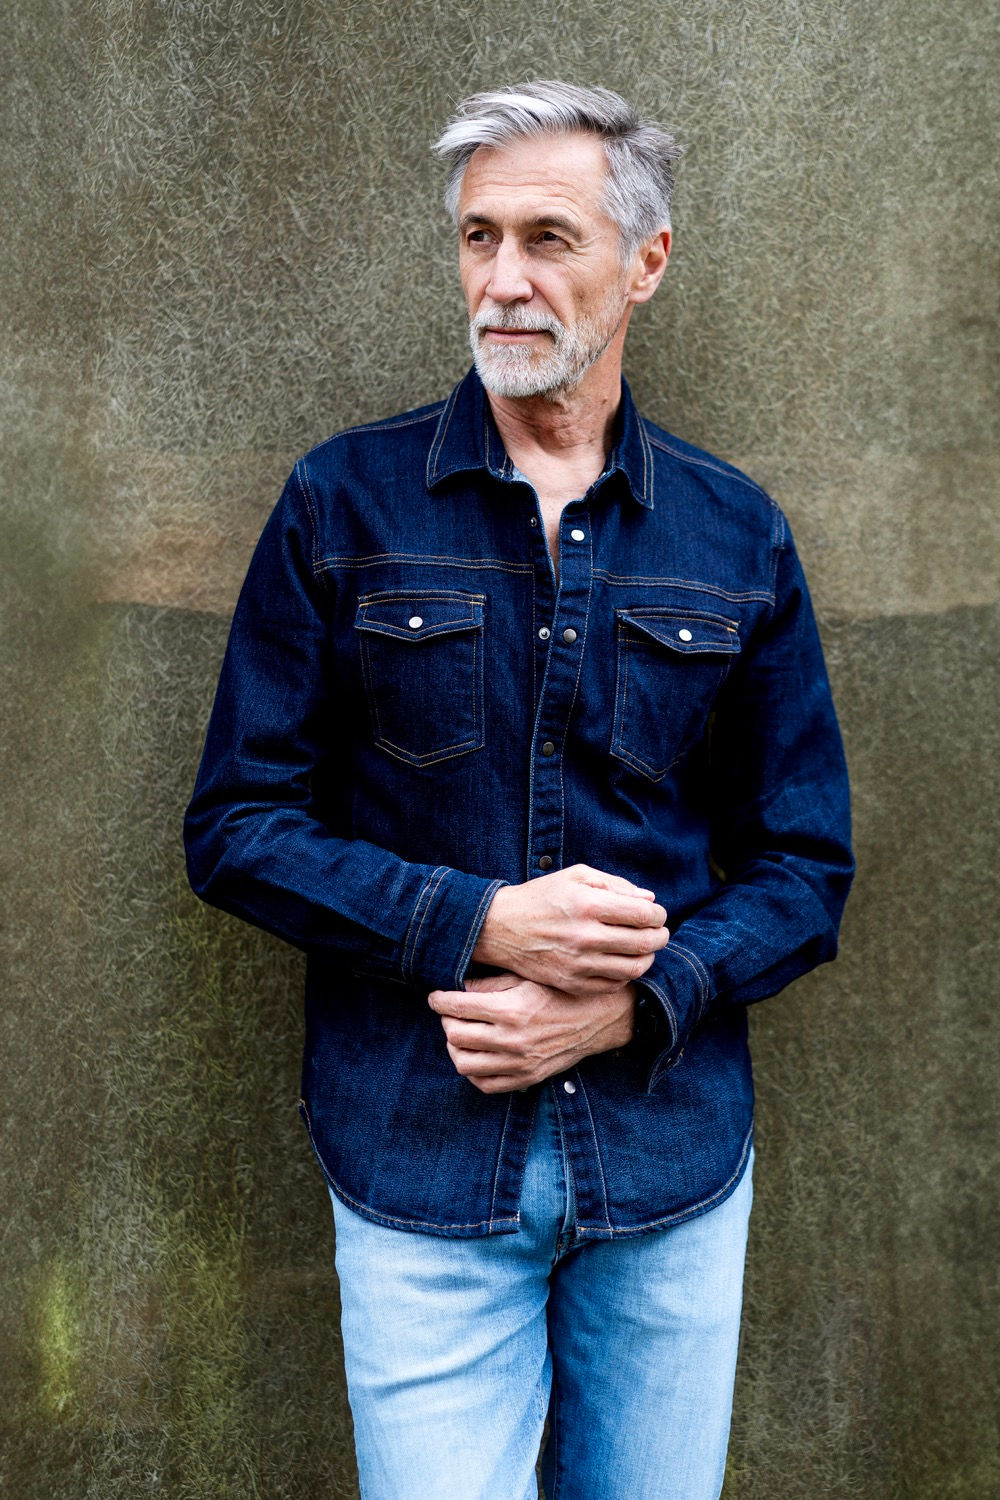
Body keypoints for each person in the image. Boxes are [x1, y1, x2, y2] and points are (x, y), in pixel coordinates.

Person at [185, 80, 854, 1500]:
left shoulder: (735, 534)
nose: (502, 280)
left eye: (549, 238)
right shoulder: (341, 504)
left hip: (667, 1166)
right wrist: (482, 922)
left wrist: (634, 1001)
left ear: (646, 262)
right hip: (418, 1163)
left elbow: (805, 870)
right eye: (479, 238)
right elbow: (236, 830)